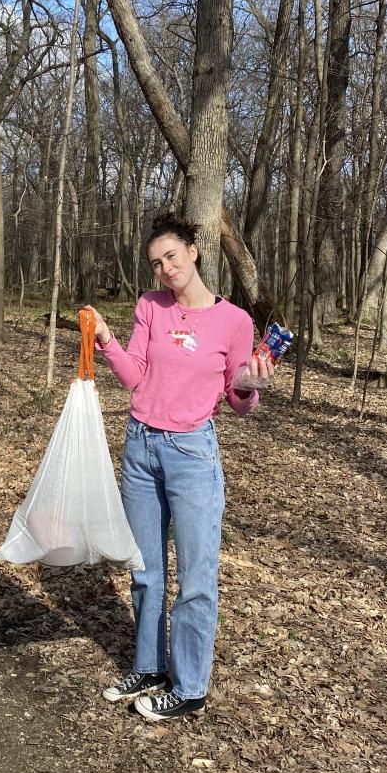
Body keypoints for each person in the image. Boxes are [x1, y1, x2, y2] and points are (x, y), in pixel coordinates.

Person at [85, 212, 274, 722]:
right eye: (156, 262)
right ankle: (149, 667)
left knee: (196, 577)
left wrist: (252, 385)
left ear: (193, 251)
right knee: (144, 569)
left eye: (171, 255)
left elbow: (238, 399)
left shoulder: (235, 321)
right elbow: (134, 375)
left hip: (191, 454)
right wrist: (106, 339)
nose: (165, 268)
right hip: (140, 447)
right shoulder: (150, 306)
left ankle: (190, 687)